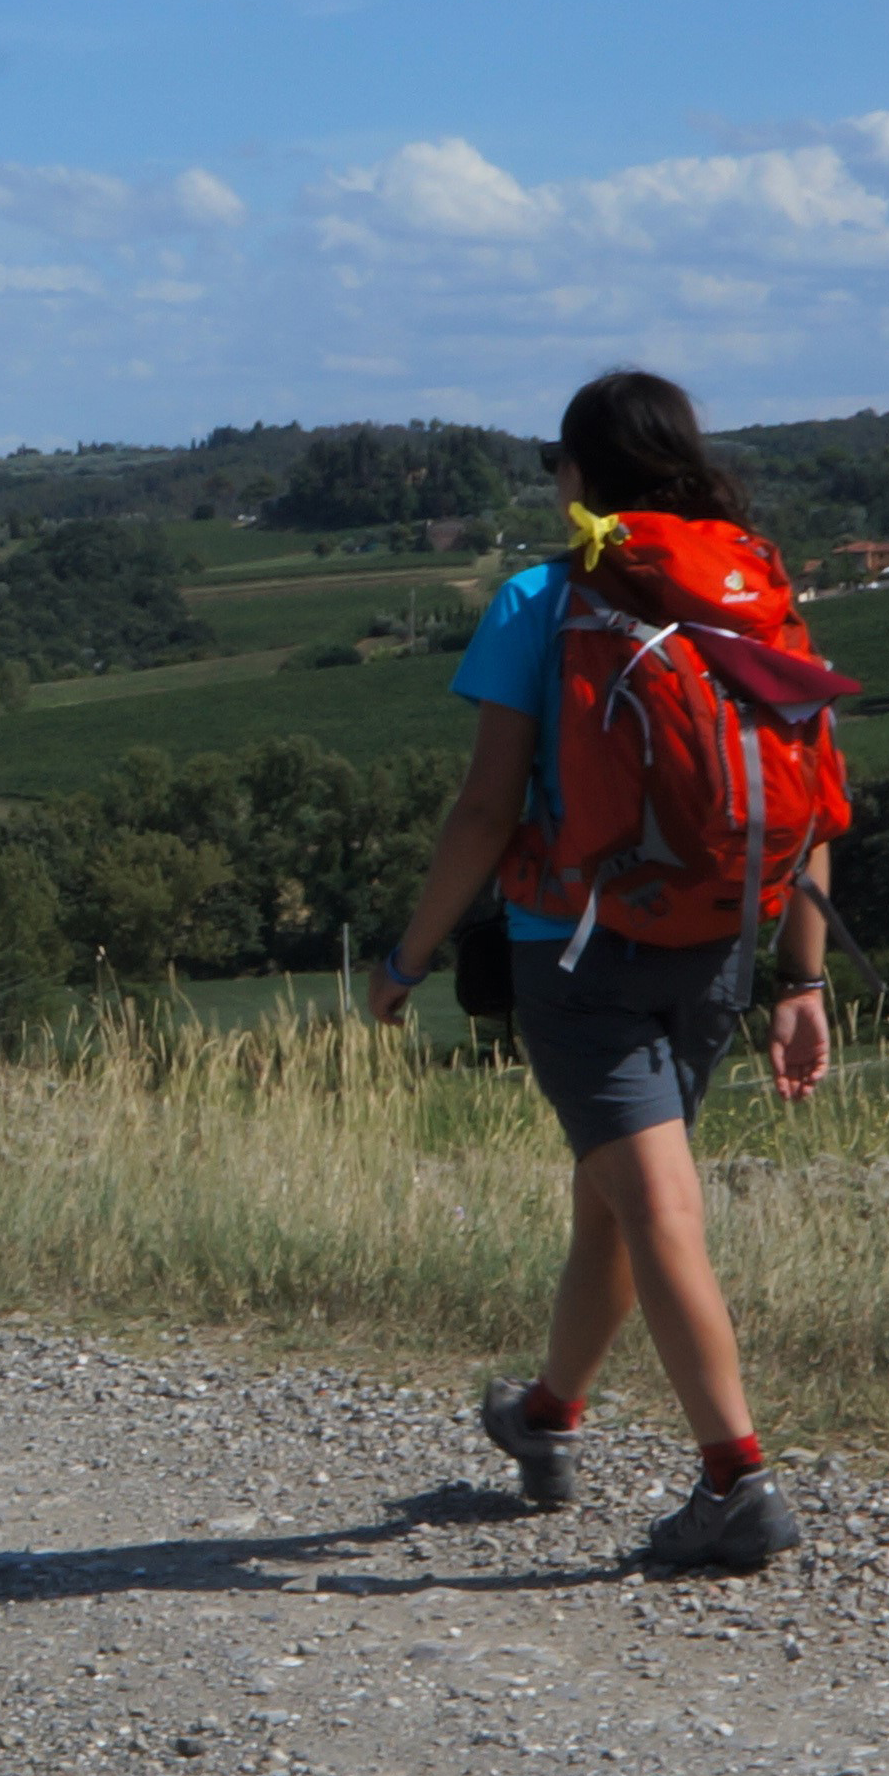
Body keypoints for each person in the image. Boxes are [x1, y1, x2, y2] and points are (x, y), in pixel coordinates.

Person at [364, 369, 836, 1577]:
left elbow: (482, 809)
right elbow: (811, 789)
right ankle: (547, 1416)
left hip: (577, 953)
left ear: (580, 475)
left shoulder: (542, 597)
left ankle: (736, 1481)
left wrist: (408, 956)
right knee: (613, 1193)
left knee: (653, 1202)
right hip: (717, 947)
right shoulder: (752, 589)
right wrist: (802, 980)